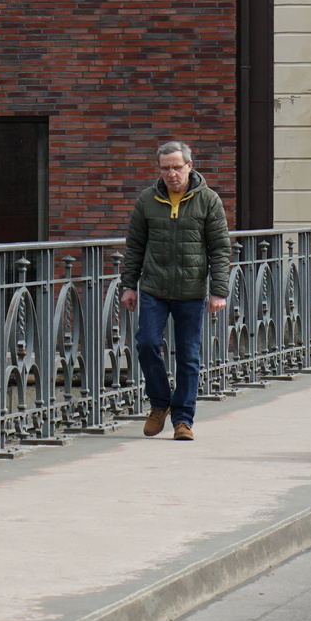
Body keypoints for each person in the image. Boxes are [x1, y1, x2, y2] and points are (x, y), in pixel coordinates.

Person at [120, 142, 232, 441]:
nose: (171, 173)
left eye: (176, 167)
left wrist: (218, 291)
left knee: (188, 356)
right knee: (146, 344)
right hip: (154, 288)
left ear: (189, 166)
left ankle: (183, 419)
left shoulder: (208, 200)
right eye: (165, 168)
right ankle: (160, 403)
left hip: (192, 291)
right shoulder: (147, 199)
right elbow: (134, 247)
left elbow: (220, 248)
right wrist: (129, 285)